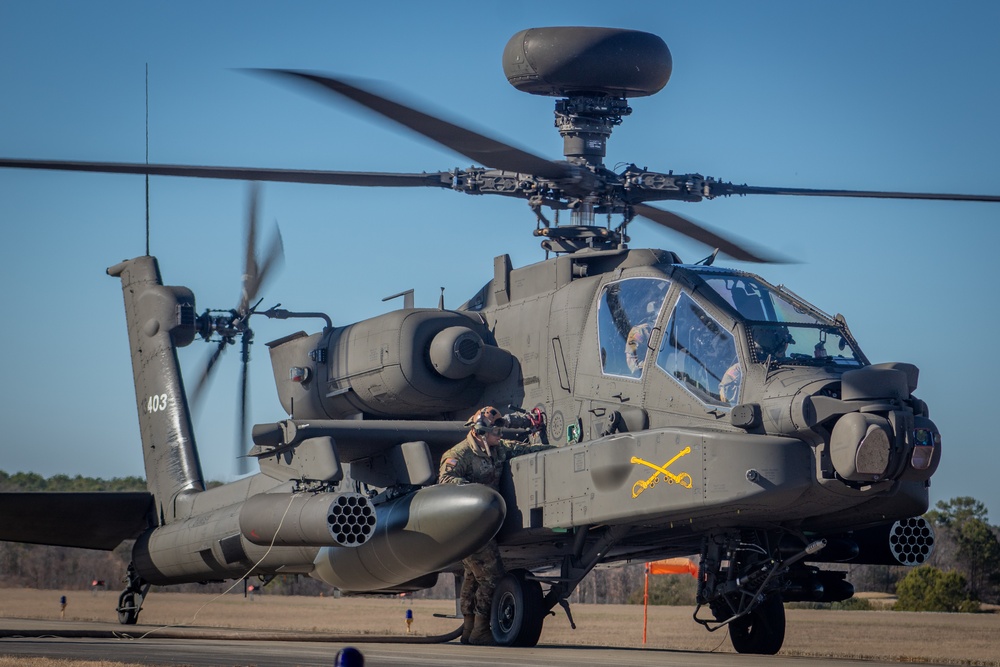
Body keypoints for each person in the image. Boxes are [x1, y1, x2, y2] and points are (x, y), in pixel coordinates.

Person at [438, 406, 553, 645]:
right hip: (467, 526)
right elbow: (446, 481)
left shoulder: (499, 450)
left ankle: (470, 630)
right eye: (496, 430)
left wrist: (555, 450)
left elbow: (526, 449)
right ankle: (481, 629)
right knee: (493, 577)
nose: (500, 434)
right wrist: (476, 493)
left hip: (486, 526)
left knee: (472, 577)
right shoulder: (458, 454)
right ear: (480, 432)